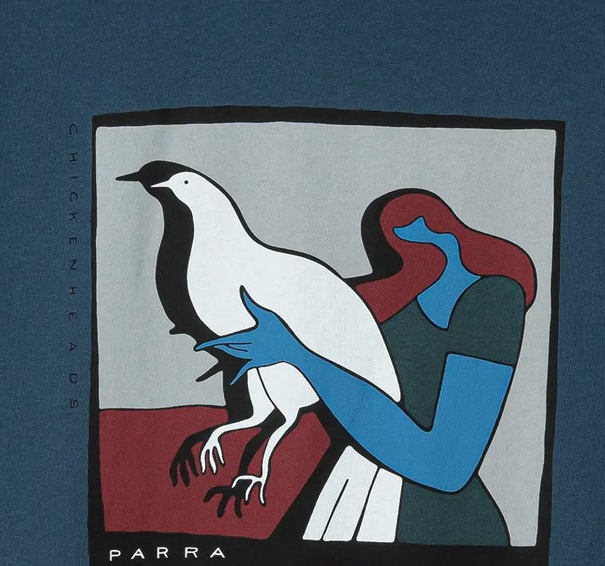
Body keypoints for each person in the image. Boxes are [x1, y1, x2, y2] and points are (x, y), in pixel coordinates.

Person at [201, 192, 535, 546]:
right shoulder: (380, 304)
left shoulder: (492, 297)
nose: (397, 245)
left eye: (409, 226)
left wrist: (300, 356)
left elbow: (445, 466)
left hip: (433, 527)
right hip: (347, 498)